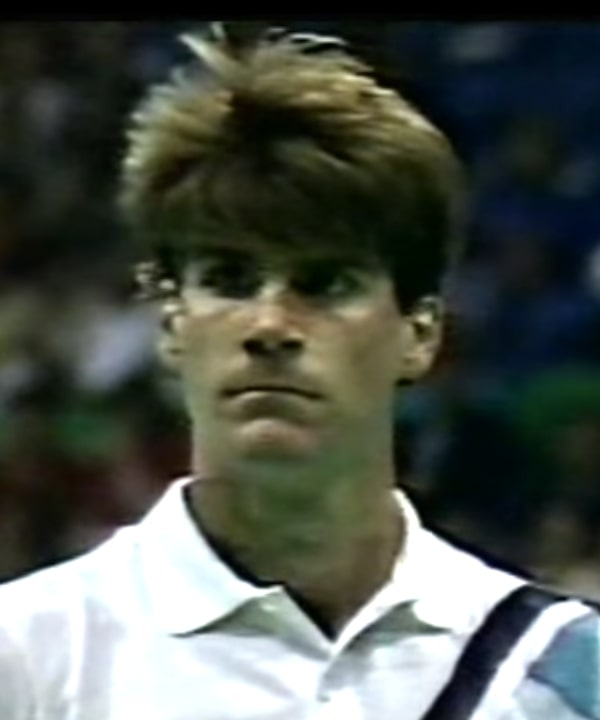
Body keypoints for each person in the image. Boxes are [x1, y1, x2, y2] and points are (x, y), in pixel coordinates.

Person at [0, 23, 598, 720]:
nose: (270, 324)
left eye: (326, 284)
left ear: (420, 333)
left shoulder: (565, 674)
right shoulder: (27, 654)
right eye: (228, 280)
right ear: (171, 323)